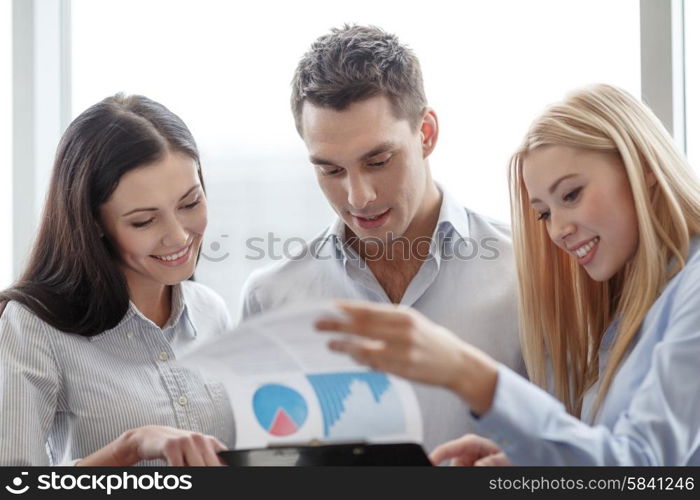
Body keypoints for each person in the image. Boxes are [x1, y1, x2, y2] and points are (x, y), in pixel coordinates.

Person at [316, 83, 700, 465]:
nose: (558, 230)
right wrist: (532, 464)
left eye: (571, 195)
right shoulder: (635, 306)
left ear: (644, 168)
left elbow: (644, 466)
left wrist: (468, 372)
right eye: (545, 213)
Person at [239, 24, 524, 452]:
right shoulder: (271, 298)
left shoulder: (526, 273)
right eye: (330, 170)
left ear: (425, 133)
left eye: (378, 161)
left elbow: (580, 451)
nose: (358, 197)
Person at [0, 94, 235, 466]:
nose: (177, 237)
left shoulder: (211, 311)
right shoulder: (33, 328)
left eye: (190, 203)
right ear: (93, 222)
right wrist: (129, 448)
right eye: (144, 220)